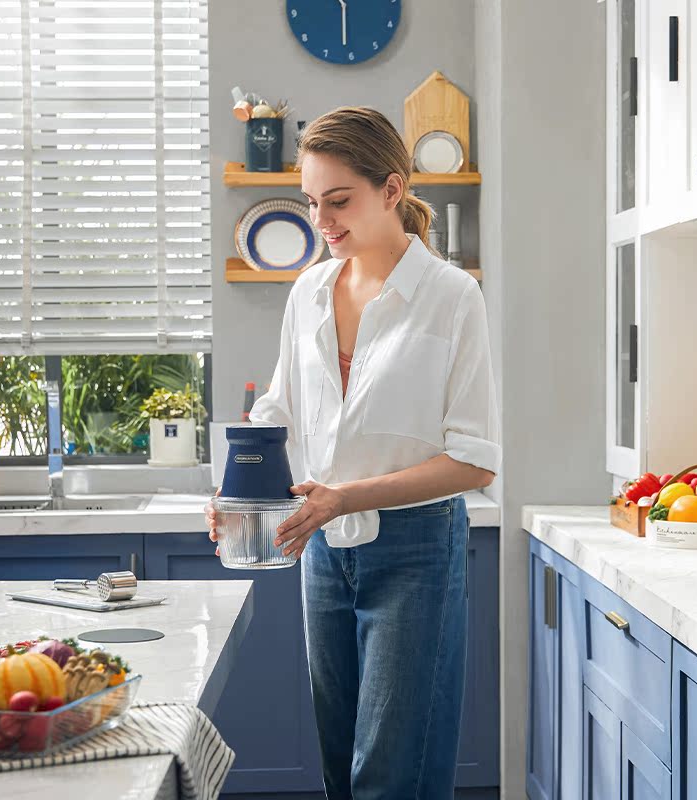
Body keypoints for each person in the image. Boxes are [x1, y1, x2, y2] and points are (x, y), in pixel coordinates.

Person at [205, 106, 500, 799]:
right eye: (312, 203)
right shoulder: (308, 291)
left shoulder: (452, 297)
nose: (322, 221)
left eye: (339, 201)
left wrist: (347, 497)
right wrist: (233, 496)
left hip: (417, 552)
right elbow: (276, 415)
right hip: (324, 555)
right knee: (341, 767)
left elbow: (475, 461)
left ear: (392, 189)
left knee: (392, 774)